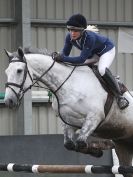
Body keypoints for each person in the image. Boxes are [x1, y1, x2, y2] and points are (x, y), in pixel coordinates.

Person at [52, 13, 129, 110]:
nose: (72, 33)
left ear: (82, 31)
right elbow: (65, 54)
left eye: (76, 30)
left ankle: (119, 97)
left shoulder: (89, 38)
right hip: (93, 53)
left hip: (107, 50)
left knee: (102, 70)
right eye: (71, 30)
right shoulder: (69, 37)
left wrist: (62, 58)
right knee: (80, 69)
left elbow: (80, 59)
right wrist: (58, 56)